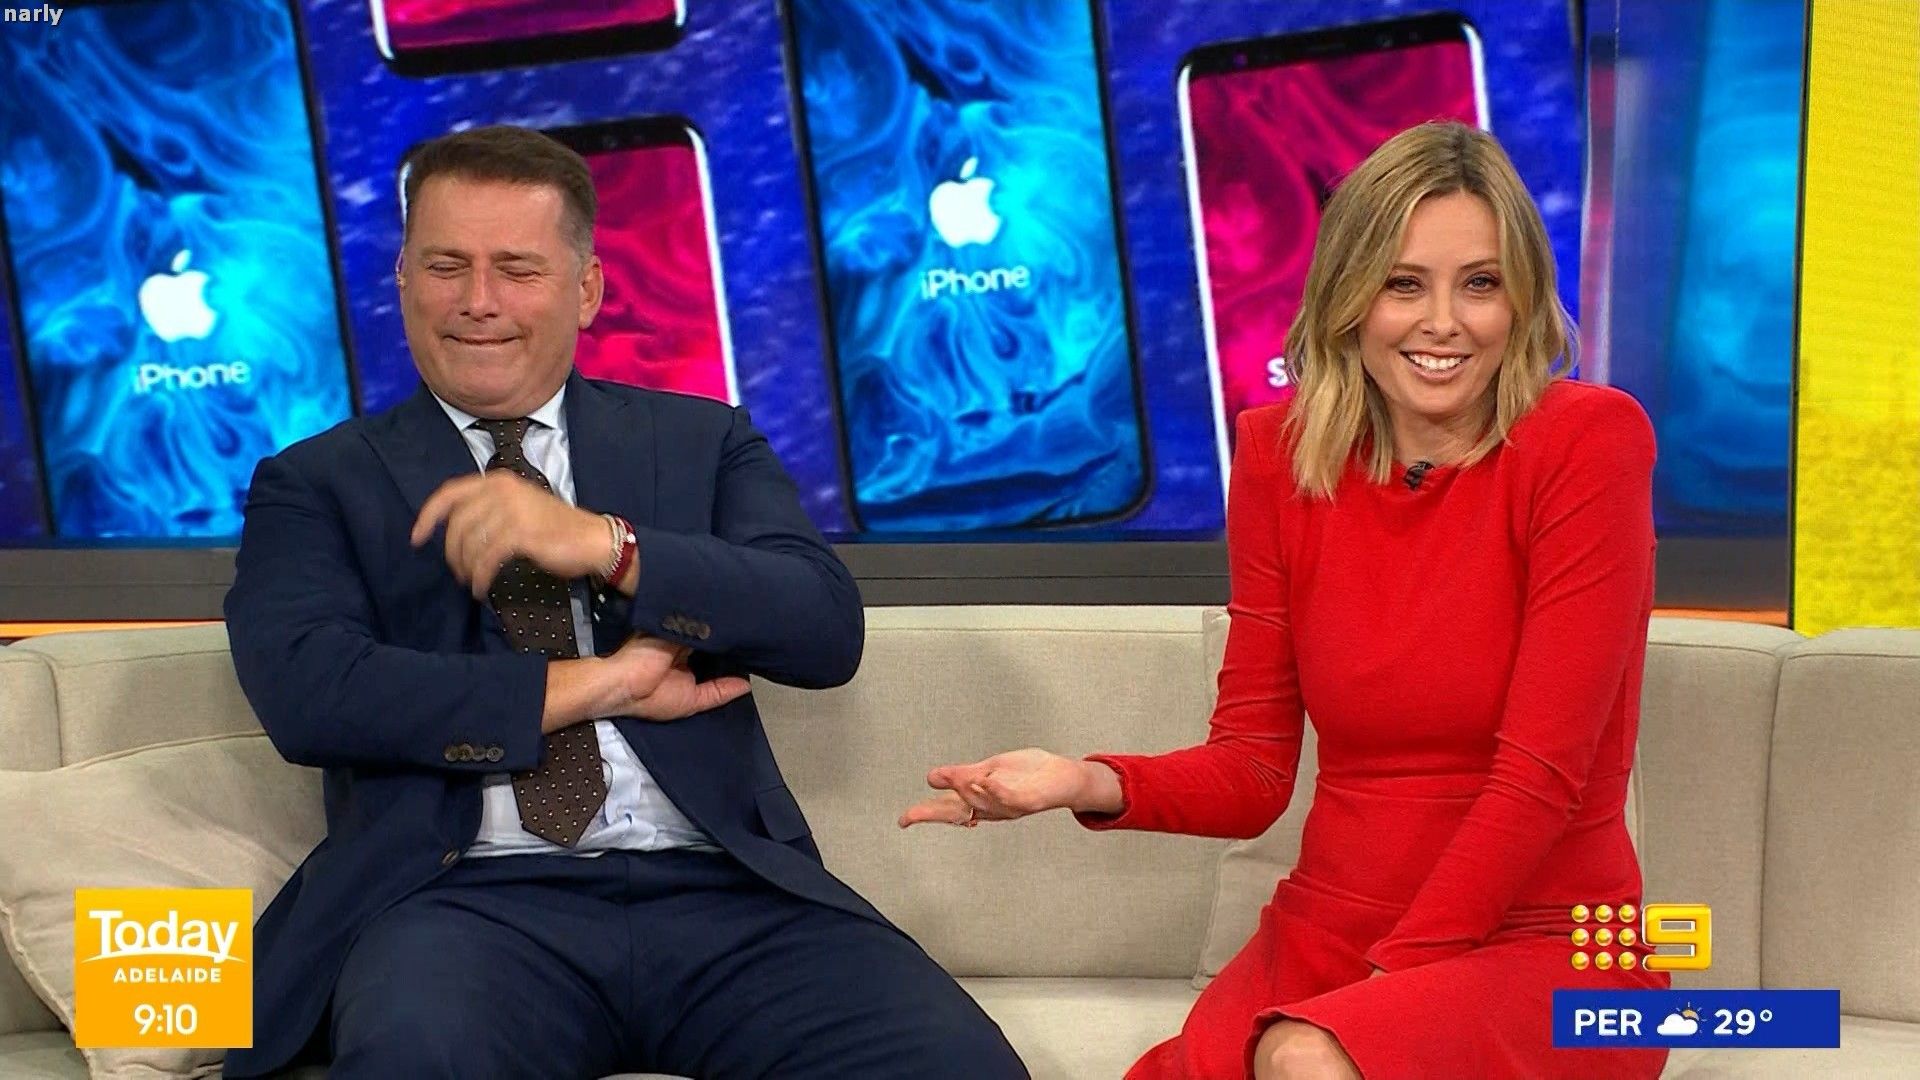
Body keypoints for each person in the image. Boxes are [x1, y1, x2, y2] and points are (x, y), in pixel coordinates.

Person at [223, 124, 1026, 1080]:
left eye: (517, 269)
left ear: (588, 290)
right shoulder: (316, 482)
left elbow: (823, 627)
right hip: (462, 908)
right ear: (402, 280)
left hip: (727, 896)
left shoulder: (703, 442)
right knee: (418, 1059)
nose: (478, 301)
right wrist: (606, 684)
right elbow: (314, 693)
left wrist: (609, 547)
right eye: (446, 266)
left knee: (956, 1064)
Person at [902, 121, 1669, 1080]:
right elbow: (1253, 769)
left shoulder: (1588, 442)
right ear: (1349, 296)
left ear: (1521, 297)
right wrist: (1083, 781)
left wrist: (1384, 995)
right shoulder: (1281, 457)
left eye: (1481, 283)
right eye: (1403, 284)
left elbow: (1541, 778)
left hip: (1549, 948)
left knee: (1306, 1057)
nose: (1444, 322)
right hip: (1329, 935)